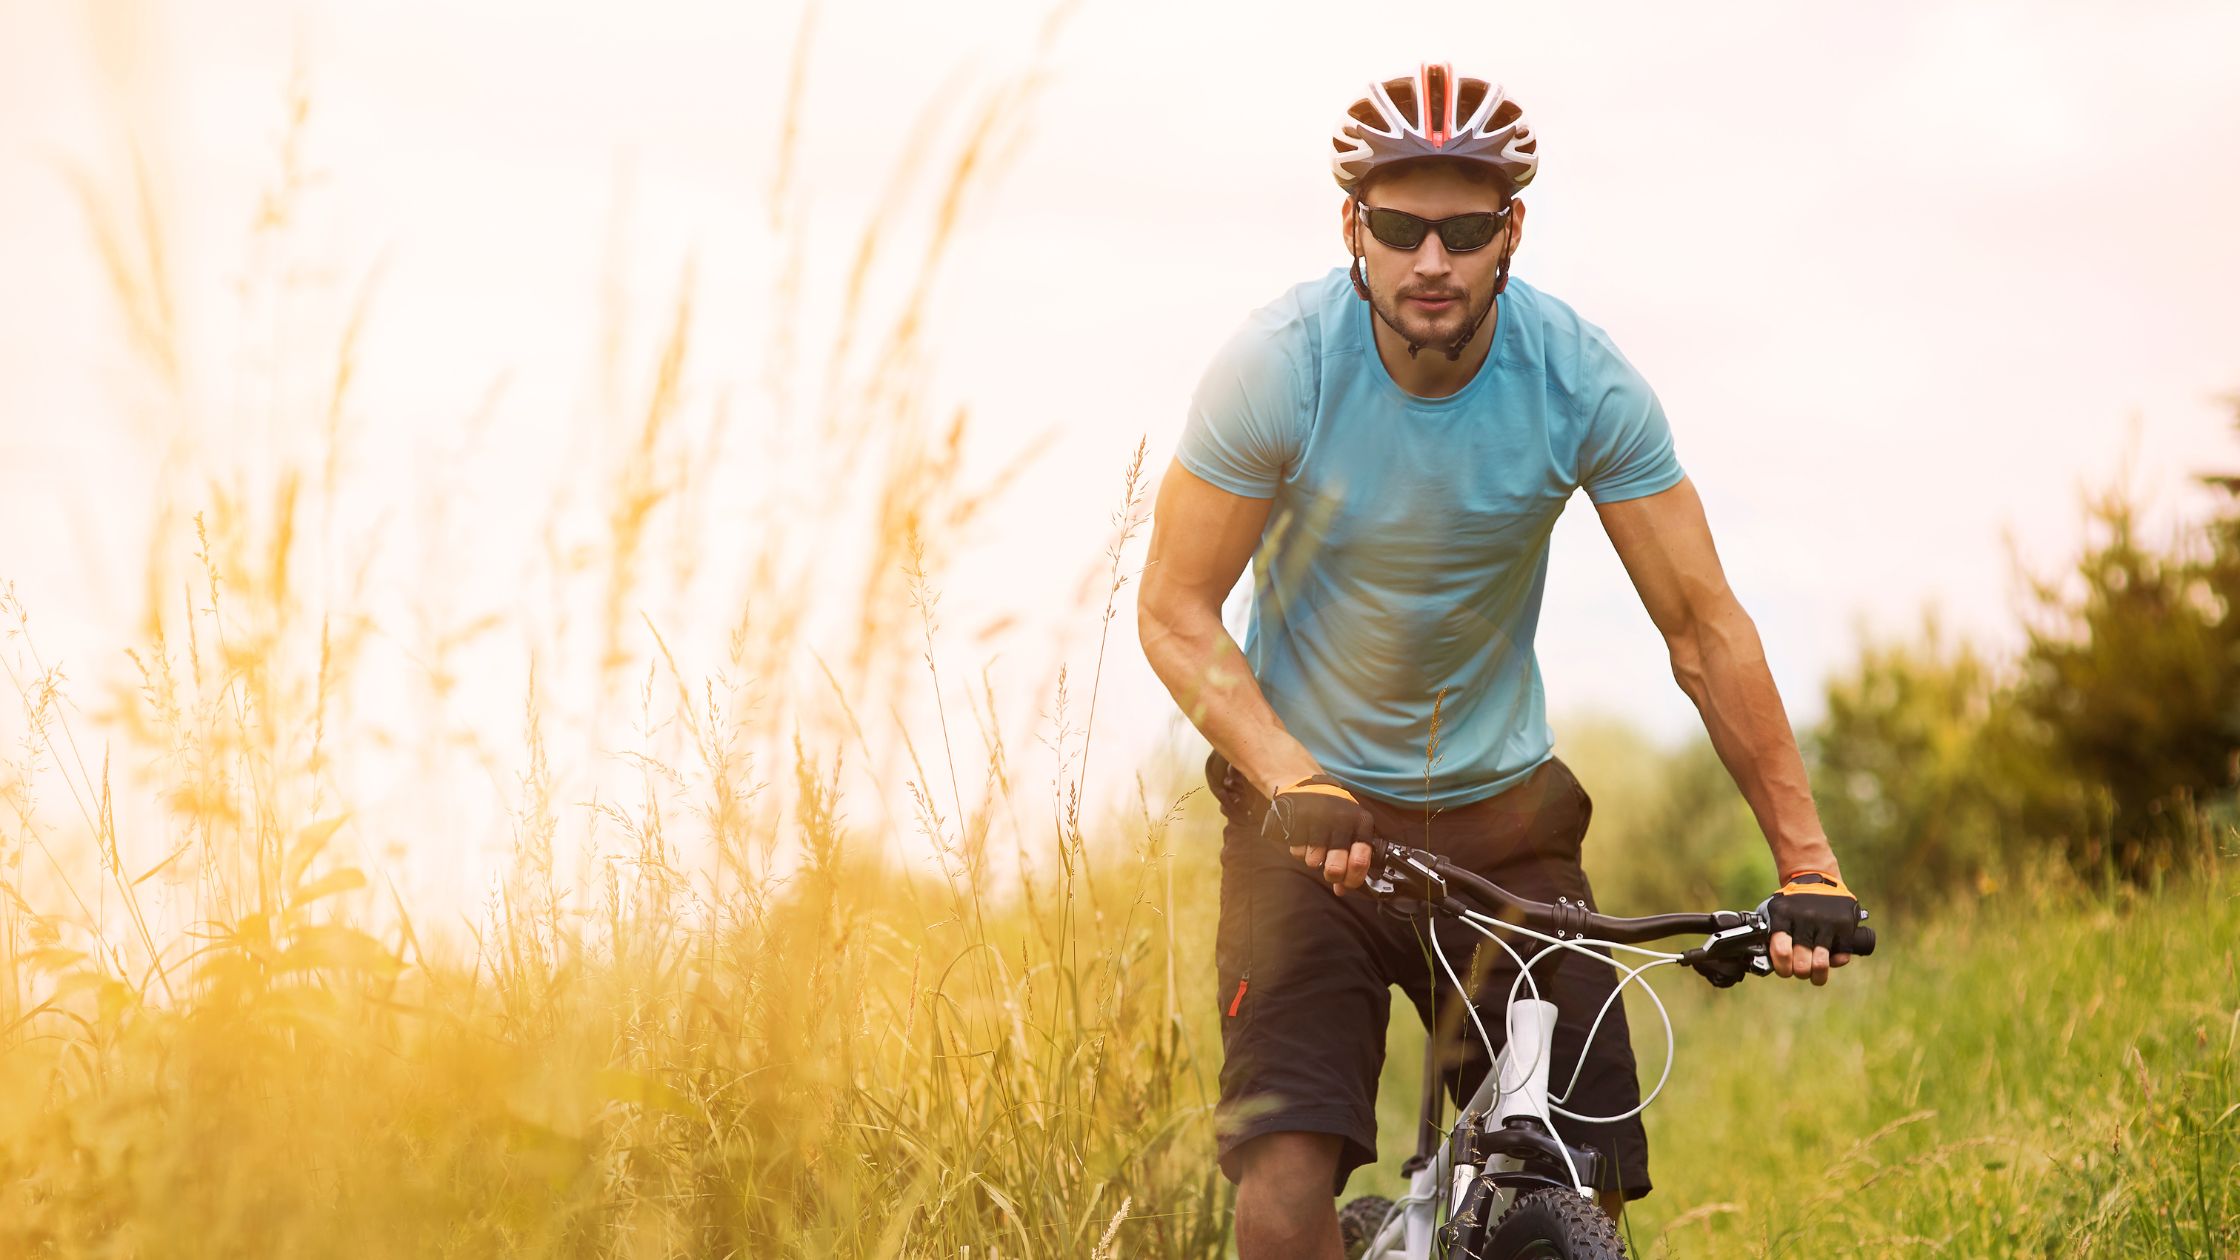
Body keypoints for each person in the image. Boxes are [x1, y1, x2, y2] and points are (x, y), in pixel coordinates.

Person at [1135, 62, 1870, 1259]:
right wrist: (1286, 773)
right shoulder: (1278, 367)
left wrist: (1808, 864)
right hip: (1309, 822)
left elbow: (1701, 629)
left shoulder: (1580, 380)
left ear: (1509, 233)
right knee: (1280, 1182)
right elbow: (1172, 608)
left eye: (1465, 229)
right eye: (1400, 226)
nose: (1431, 260)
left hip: (1503, 824)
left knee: (1584, 1188)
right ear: (1351, 229)